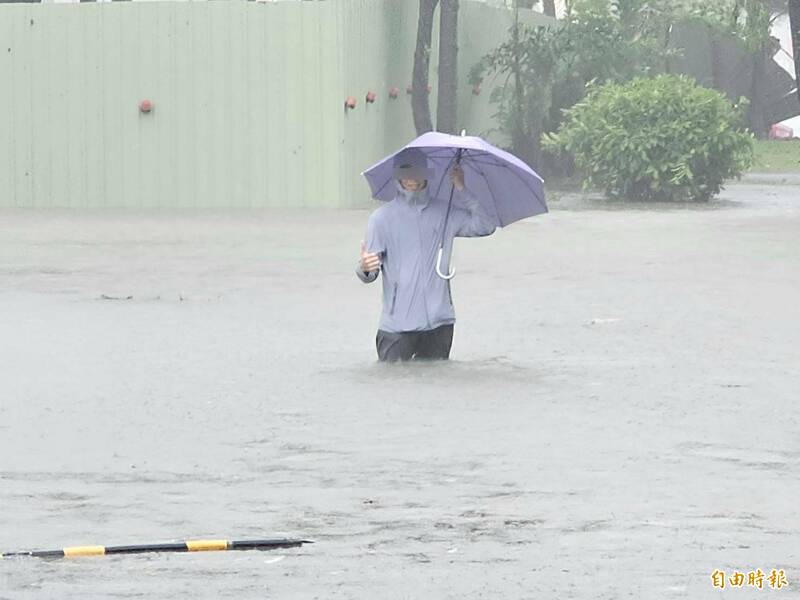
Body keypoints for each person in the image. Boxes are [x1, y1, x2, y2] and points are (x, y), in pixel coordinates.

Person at [356, 147, 496, 362]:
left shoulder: (445, 212)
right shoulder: (381, 219)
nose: (411, 178)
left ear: (427, 174)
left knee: (437, 388)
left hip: (439, 324)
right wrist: (365, 268)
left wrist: (461, 189)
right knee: (392, 387)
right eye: (405, 172)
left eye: (417, 172)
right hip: (397, 326)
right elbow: (370, 272)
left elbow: (485, 225)